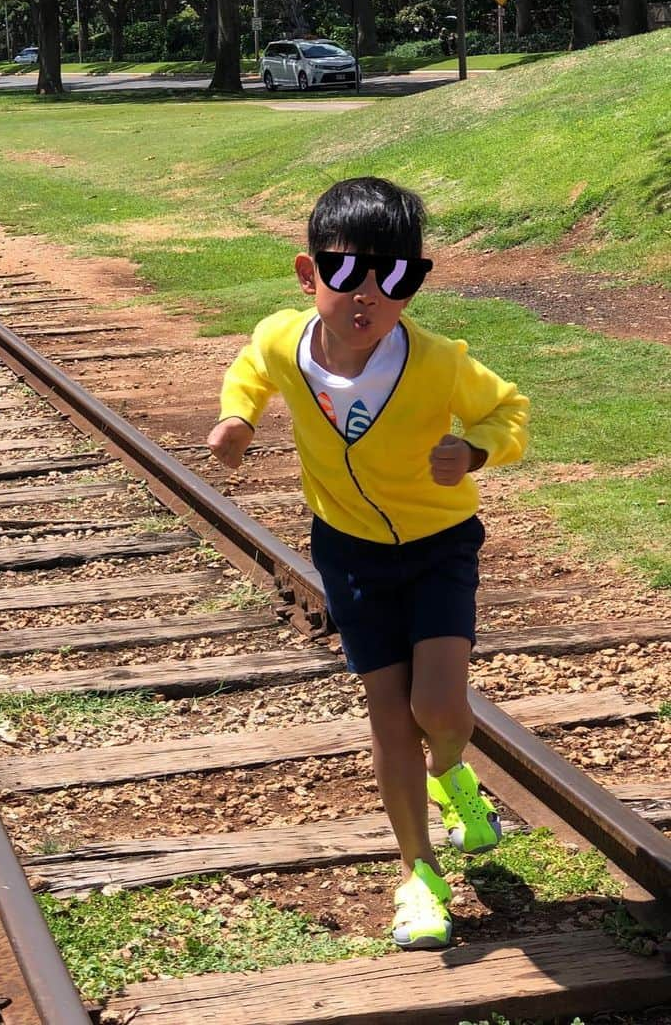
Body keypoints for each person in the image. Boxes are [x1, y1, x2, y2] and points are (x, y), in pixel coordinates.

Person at [207, 177, 529, 950]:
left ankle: (455, 773)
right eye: (349, 273)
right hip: (348, 553)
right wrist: (236, 417)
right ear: (308, 273)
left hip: (438, 549)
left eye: (397, 278)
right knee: (389, 719)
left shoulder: (438, 361)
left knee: (440, 711)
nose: (370, 297)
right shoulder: (285, 339)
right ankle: (418, 876)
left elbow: (507, 408)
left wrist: (476, 449)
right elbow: (253, 367)